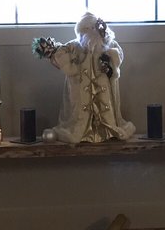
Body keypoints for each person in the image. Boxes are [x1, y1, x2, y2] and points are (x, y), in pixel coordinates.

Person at [33, 13, 135, 144]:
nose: (89, 33)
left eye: (91, 29)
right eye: (85, 30)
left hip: (104, 93)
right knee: (80, 114)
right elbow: (61, 54)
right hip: (80, 91)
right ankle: (85, 130)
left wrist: (110, 59)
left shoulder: (108, 44)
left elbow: (118, 56)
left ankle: (105, 129)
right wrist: (52, 52)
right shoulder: (74, 46)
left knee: (106, 110)